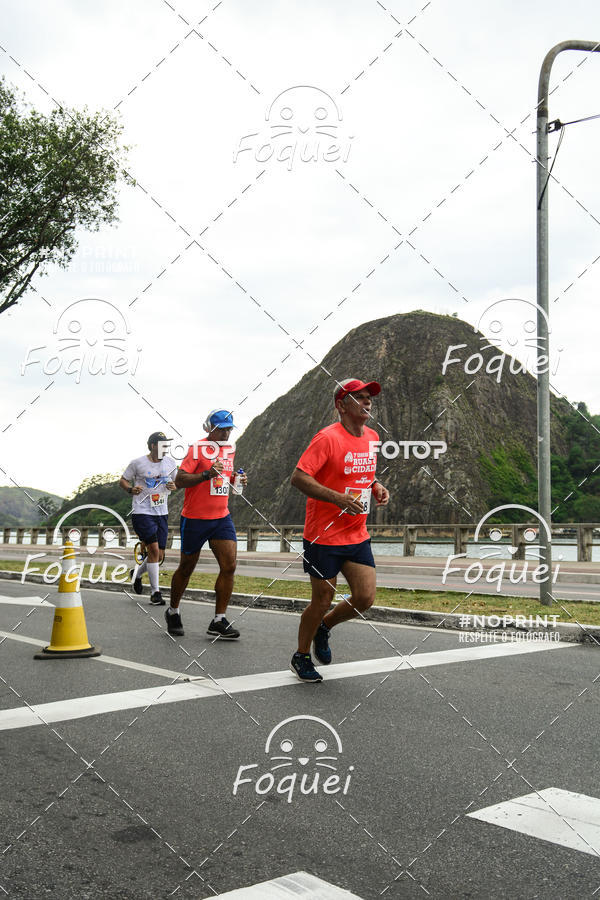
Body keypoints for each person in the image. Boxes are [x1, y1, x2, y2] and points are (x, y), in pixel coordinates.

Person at [289, 379, 390, 682]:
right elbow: (298, 477)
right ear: (340, 405)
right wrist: (337, 498)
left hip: (356, 532)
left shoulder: (372, 436)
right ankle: (301, 655)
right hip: (324, 535)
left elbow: (365, 475)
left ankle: (325, 627)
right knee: (321, 600)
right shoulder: (327, 438)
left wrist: (376, 487)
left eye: (369, 398)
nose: (367, 402)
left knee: (365, 597)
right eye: (358, 398)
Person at [165, 409, 248, 639]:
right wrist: (205, 475)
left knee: (229, 566)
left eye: (229, 429)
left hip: (221, 517)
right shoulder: (196, 449)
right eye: (221, 428)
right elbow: (180, 480)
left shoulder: (229, 450)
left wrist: (235, 479)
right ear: (208, 428)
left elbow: (223, 476)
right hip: (195, 519)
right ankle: (173, 611)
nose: (225, 433)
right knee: (186, 567)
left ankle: (218, 620)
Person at [120, 432, 178, 605]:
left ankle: (136, 575)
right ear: (153, 446)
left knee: (158, 555)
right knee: (152, 550)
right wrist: (131, 489)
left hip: (162, 512)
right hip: (142, 512)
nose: (166, 448)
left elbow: (177, 482)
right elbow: (123, 481)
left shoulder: (170, 463)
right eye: (162, 445)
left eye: (167, 445)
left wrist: (174, 485)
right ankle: (155, 593)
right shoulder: (137, 463)